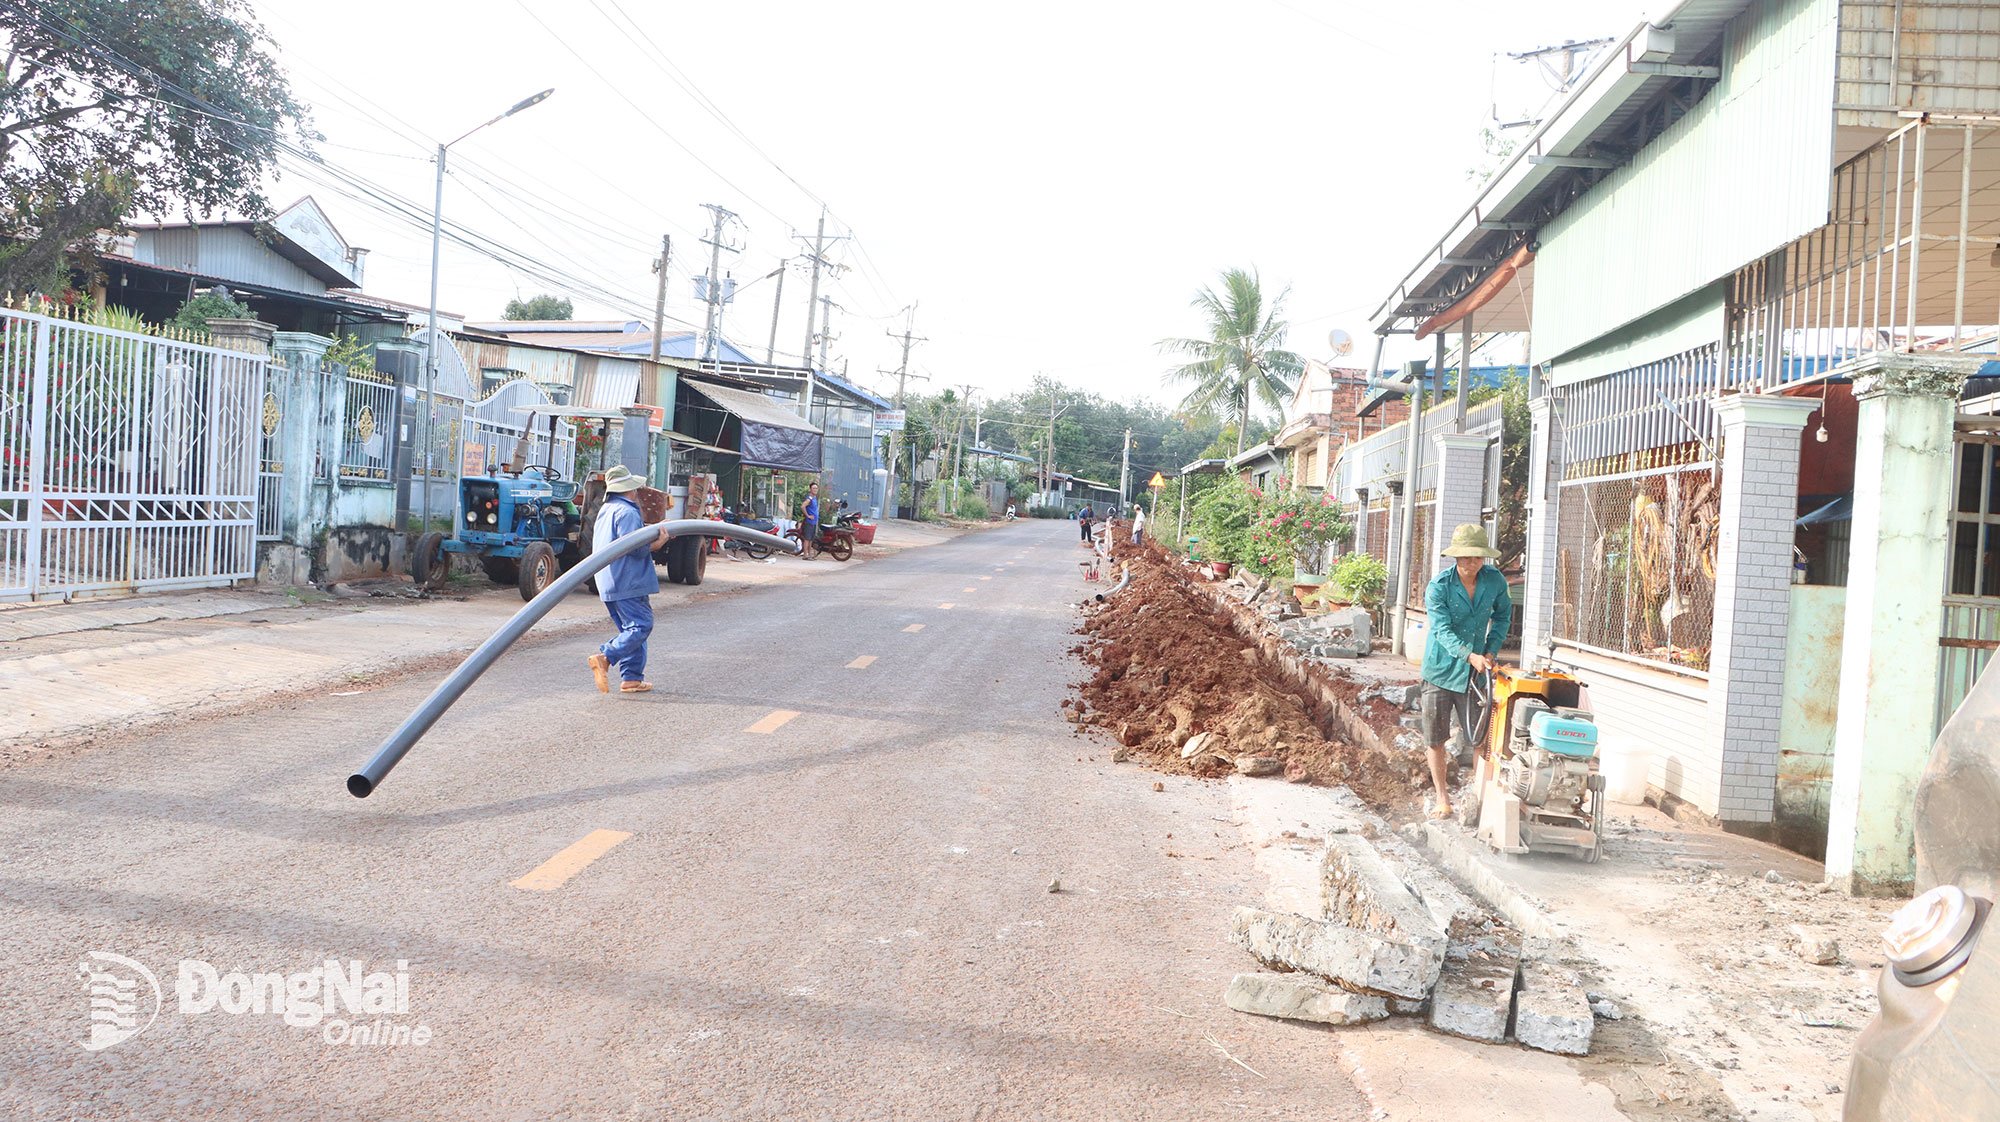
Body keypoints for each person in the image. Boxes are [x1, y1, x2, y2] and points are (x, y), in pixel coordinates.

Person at [1418, 523, 1513, 820]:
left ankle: (1478, 798)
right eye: (1466, 558)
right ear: (1456, 558)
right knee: (1436, 737)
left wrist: (1489, 651)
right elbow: (1442, 630)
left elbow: (1503, 616)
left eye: (1477, 558)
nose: (1472, 564)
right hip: (1441, 670)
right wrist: (1467, 655)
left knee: (1480, 736)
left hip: (1477, 672)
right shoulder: (1439, 587)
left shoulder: (1494, 581)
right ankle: (1442, 798)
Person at [586, 465, 669, 695]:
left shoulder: (607, 509)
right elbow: (636, 549)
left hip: (608, 580)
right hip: (627, 580)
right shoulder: (628, 512)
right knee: (642, 625)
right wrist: (658, 543)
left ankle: (631, 678)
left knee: (630, 630)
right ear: (630, 489)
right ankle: (606, 657)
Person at [799, 481, 821, 560]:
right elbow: (802, 506)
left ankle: (809, 554)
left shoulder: (814, 498)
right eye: (813, 488)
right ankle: (805, 555)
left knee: (811, 539)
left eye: (816, 488)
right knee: (807, 539)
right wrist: (808, 515)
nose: (815, 489)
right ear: (810, 489)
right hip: (809, 522)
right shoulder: (809, 498)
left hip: (814, 522)